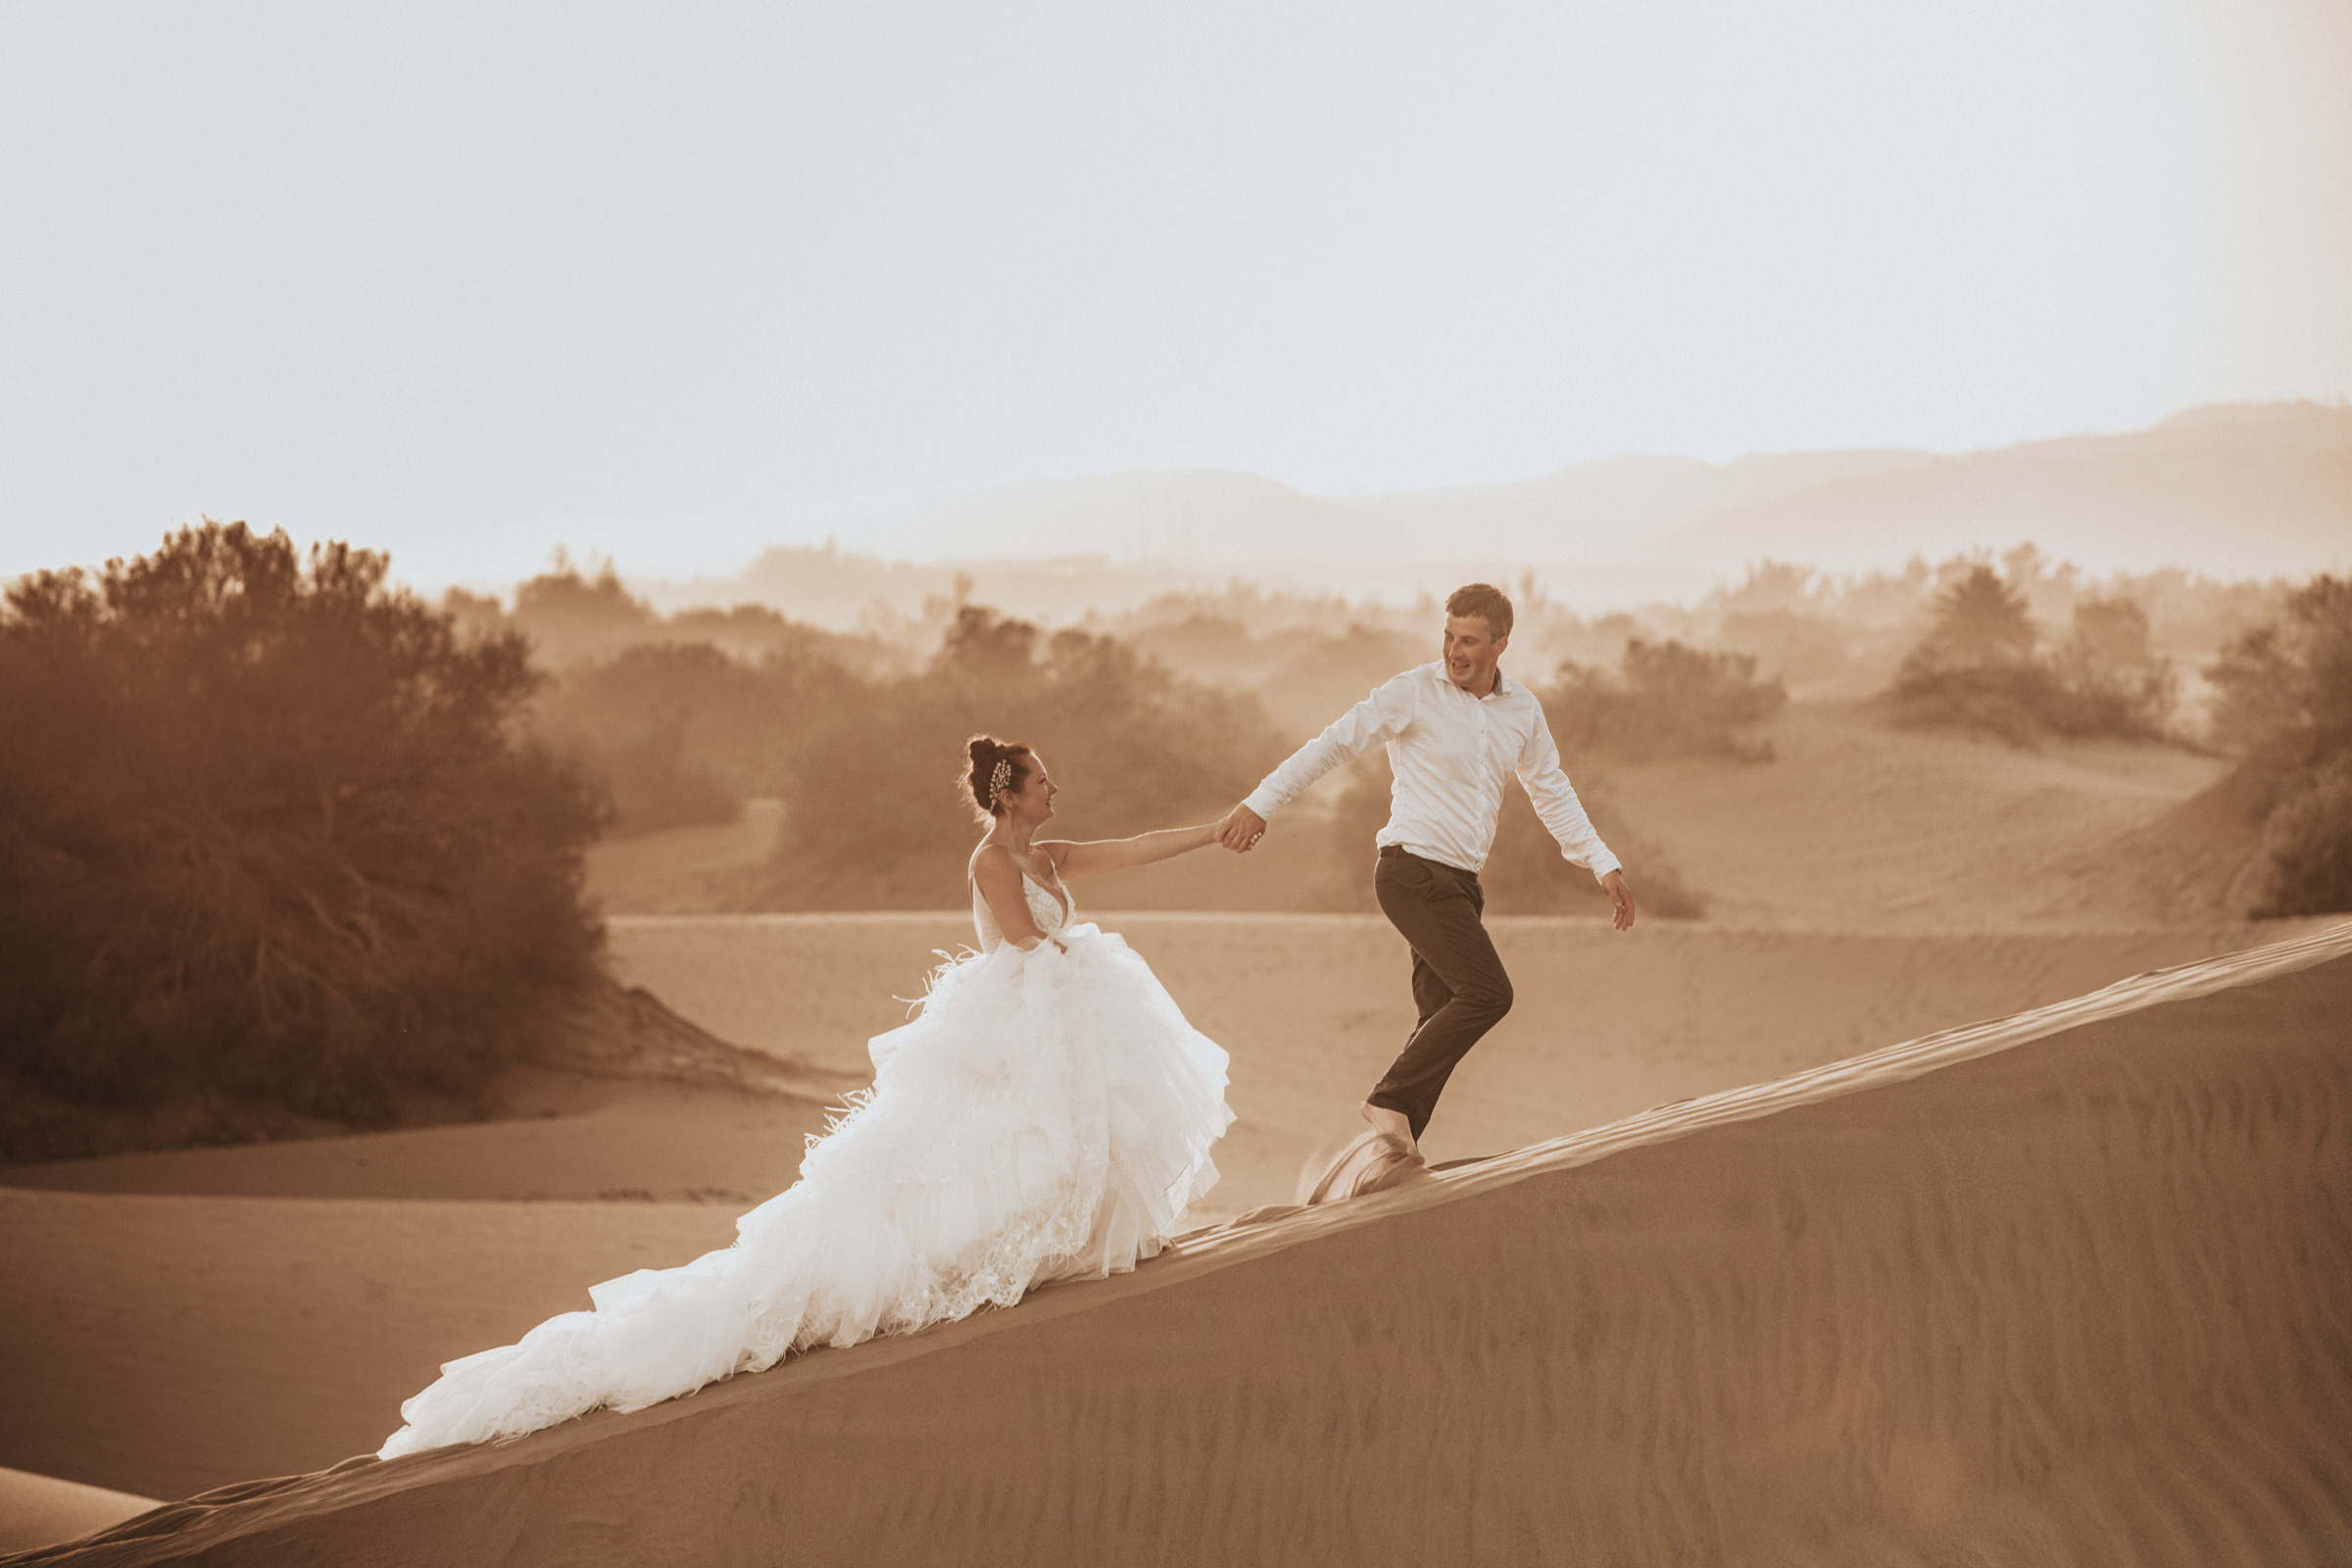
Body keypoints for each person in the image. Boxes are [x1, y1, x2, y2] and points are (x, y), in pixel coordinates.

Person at [377, 736, 1234, 1458]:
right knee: (990, 1154)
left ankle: (1065, 1244)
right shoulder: (991, 861)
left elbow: (1135, 846)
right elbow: (1020, 938)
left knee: (1062, 1141)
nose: (1057, 789)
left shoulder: (1047, 853)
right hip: (1021, 1015)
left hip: (1048, 1010)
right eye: (1044, 779)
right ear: (1011, 795)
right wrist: (1086, 972)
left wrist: (1216, 833)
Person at [1216, 582, 1634, 1198]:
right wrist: (1261, 803)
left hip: (1461, 884)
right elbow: (1333, 744)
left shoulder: (1522, 712)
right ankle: (1388, 1110)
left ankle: (1387, 1164)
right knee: (1489, 994)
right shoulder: (1414, 692)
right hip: (1410, 872)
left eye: (1468, 640)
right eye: (1447, 636)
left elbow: (1552, 791)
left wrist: (1602, 863)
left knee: (1438, 1019)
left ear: (1500, 644)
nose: (1453, 651)